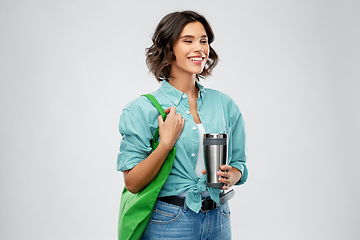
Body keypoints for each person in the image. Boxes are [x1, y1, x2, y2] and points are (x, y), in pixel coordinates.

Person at [117, 10, 248, 239]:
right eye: (188, 41)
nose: (199, 48)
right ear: (169, 48)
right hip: (170, 221)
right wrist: (164, 145)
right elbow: (133, 183)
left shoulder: (225, 105)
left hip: (219, 218)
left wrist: (234, 174)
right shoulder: (141, 109)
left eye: (203, 40)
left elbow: (239, 163)